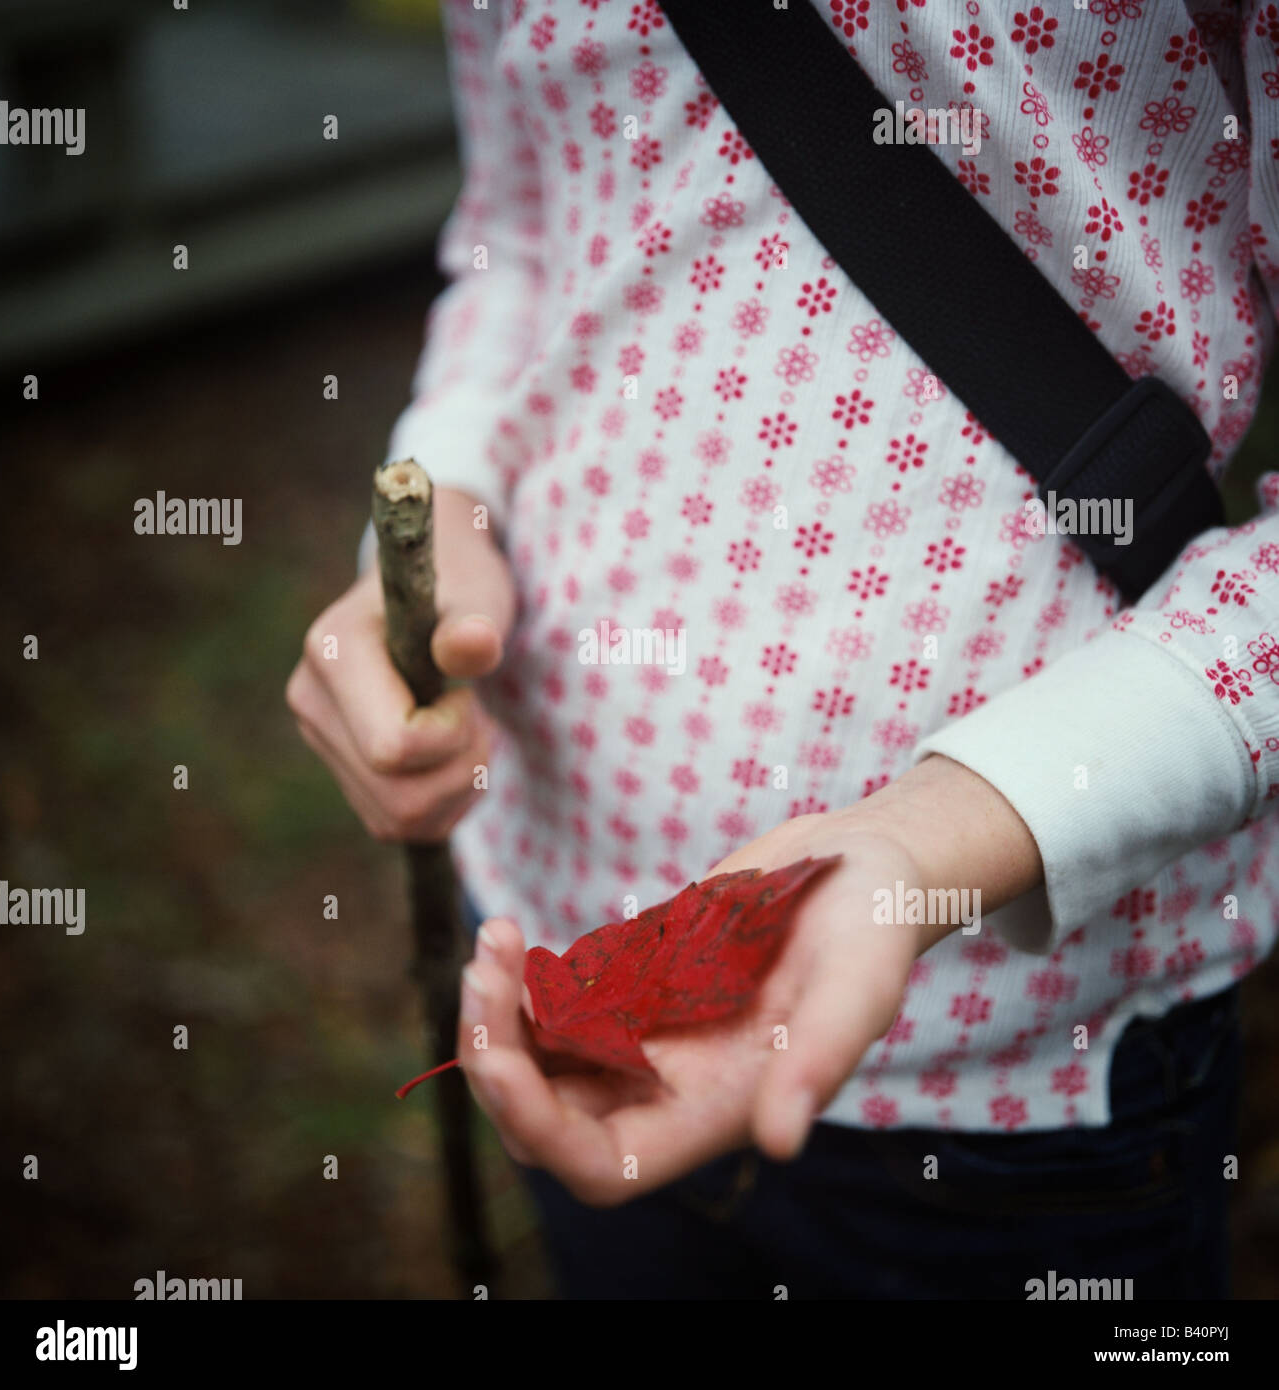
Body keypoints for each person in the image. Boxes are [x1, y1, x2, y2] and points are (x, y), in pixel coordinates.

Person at [287, 0, 1279, 1298]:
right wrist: (424, 531)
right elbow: (517, 237)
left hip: (1002, 1085)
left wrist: (934, 835)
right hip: (549, 926)